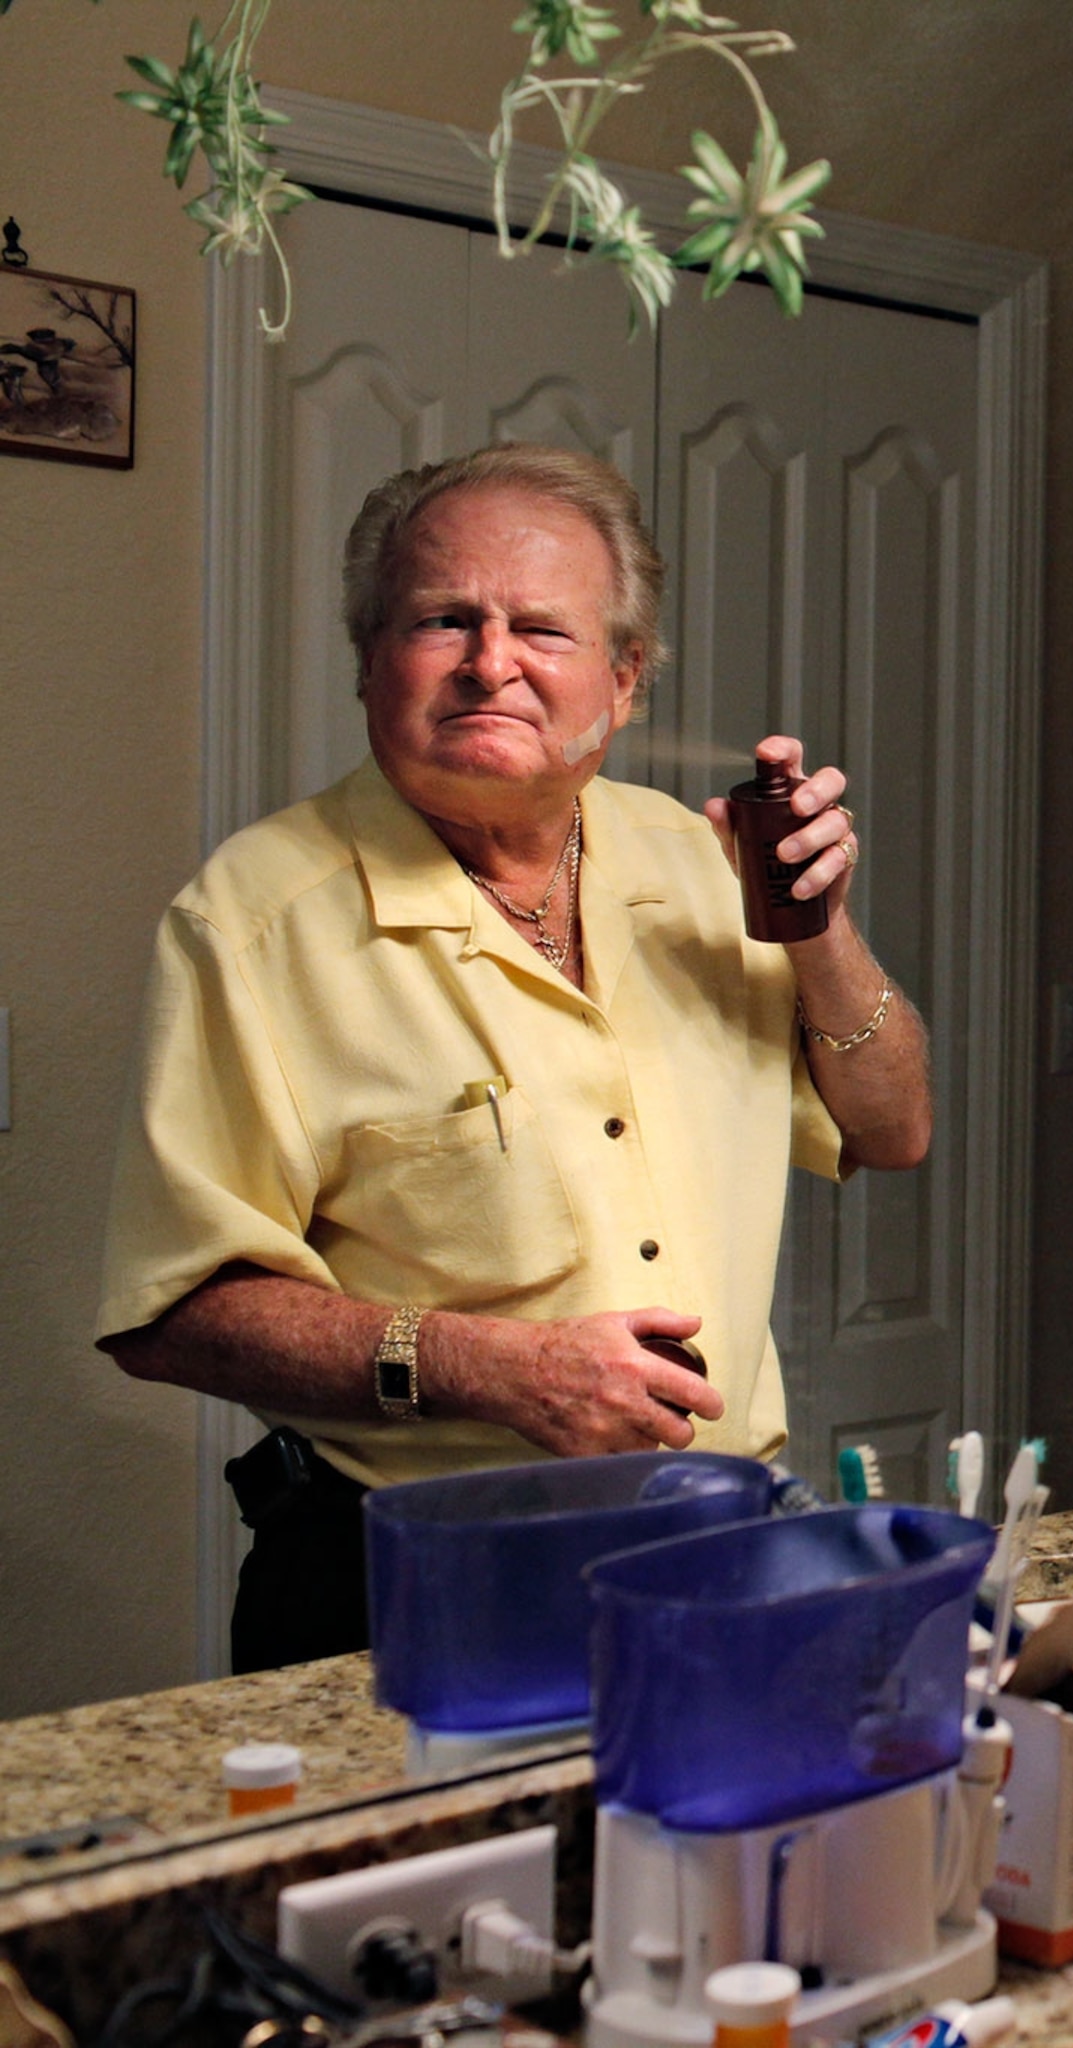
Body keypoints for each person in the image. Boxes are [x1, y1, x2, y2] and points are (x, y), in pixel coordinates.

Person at [98, 444, 934, 1672]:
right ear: (370, 659)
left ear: (625, 678)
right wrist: (494, 1366)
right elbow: (172, 1313)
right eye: (445, 620)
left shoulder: (702, 864)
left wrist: (821, 934)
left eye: (542, 628)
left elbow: (891, 1128)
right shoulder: (253, 920)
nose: (493, 663)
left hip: (716, 1561)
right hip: (420, 1584)